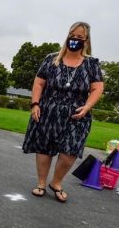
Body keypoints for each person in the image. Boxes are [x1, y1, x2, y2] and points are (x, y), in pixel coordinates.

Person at [22, 22, 104, 203]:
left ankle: (56, 183)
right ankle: (41, 183)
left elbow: (97, 88)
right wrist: (35, 104)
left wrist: (87, 106)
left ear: (86, 40)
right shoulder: (51, 59)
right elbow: (39, 83)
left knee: (70, 152)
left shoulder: (91, 64)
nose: (74, 39)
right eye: (72, 35)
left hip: (77, 114)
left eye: (80, 37)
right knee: (44, 148)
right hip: (48, 110)